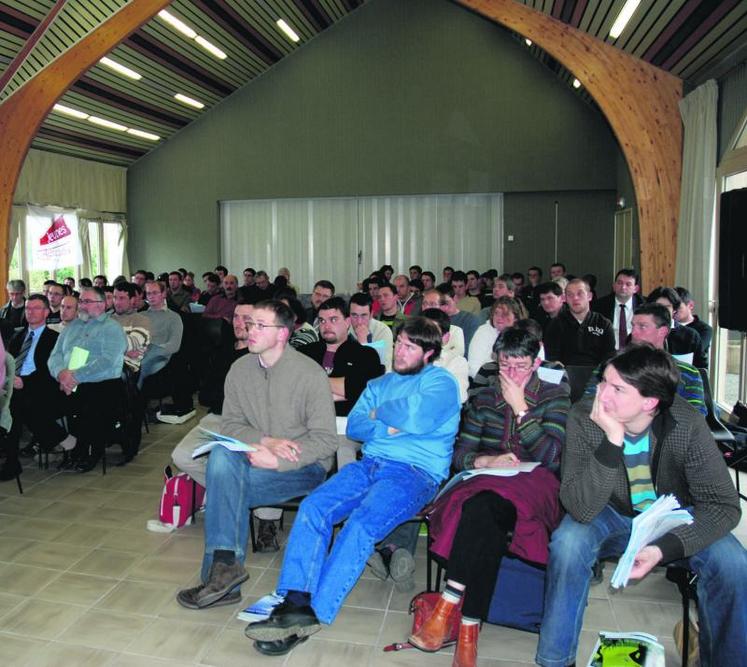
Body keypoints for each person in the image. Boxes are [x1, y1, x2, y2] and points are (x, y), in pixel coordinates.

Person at [244, 317, 461, 656]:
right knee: (313, 507)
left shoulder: (441, 383)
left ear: (429, 353)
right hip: (369, 465)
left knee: (360, 524)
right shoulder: (379, 383)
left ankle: (313, 613)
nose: (399, 351)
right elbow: (357, 427)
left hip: (414, 473)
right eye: (398, 343)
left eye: (409, 347)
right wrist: (387, 423)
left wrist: (381, 415)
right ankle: (295, 601)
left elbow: (418, 418)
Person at [536, 344, 746, 667]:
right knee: (567, 544)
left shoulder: (685, 424)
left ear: (649, 402)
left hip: (672, 516)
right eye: (603, 382)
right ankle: (555, 660)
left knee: (733, 563)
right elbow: (579, 507)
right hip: (610, 510)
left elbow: (724, 506)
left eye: (617, 388)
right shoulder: (584, 416)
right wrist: (612, 441)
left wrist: (665, 548)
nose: (602, 394)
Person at [413, 328, 570, 667]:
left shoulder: (555, 394)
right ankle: (467, 632)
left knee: (478, 509)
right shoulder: (484, 397)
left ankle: (447, 609)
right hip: (487, 482)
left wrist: (522, 410)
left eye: (520, 366)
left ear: (537, 363)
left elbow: (553, 456)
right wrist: (485, 461)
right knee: (483, 514)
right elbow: (462, 454)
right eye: (505, 365)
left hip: (536, 485)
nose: (511, 374)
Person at [175, 300, 338, 610]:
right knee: (222, 456)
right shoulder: (239, 369)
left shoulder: (309, 373)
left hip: (304, 468)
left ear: (282, 334)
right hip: (253, 460)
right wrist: (266, 441)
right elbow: (232, 424)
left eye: (260, 325)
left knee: (223, 484)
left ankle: (221, 577)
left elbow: (326, 440)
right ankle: (225, 570)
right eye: (250, 324)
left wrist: (279, 458)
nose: (250, 330)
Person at [47, 287, 127, 472]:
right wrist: (61, 374)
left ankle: (91, 450)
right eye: (81, 301)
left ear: (101, 305)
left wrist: (74, 376)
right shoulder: (72, 326)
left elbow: (107, 361)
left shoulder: (111, 328)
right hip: (68, 381)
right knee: (39, 403)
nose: (81, 306)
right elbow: (55, 354)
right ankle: (70, 445)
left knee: (89, 402)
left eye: (86, 302)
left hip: (101, 384)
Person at [1, 295, 65, 481]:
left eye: (36, 308)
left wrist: (25, 382)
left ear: (46, 312)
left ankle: (12, 461)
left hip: (42, 387)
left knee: (14, 406)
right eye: (28, 308)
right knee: (11, 401)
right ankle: (56, 439)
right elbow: (6, 363)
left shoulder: (54, 338)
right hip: (15, 384)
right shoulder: (17, 336)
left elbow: (50, 370)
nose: (30, 312)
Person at [544, 278, 614, 367]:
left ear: (590, 296)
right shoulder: (555, 324)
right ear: (564, 298)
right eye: (570, 295)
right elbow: (552, 359)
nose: (575, 298)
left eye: (580, 294)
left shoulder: (603, 323)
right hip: (565, 377)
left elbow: (609, 356)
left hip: (597, 376)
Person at [468, 296, 527, 378]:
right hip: (488, 381)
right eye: (496, 313)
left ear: (516, 318)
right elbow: (473, 367)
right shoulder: (483, 331)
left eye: (505, 314)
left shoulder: (526, 333)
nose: (499, 317)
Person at [647, 287, 706, 368]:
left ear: (674, 310)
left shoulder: (691, 336)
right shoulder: (641, 333)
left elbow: (701, 369)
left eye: (667, 307)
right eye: (658, 307)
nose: (662, 311)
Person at [592, 268, 643, 350]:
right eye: (619, 283)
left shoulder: (644, 306)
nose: (623, 287)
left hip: (636, 353)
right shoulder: (599, 306)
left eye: (628, 284)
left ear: (635, 289)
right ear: (614, 286)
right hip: (608, 353)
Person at [348, 292, 393, 372]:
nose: (359, 322)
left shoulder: (383, 331)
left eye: (363, 315)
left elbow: (384, 370)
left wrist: (363, 343)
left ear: (371, 315)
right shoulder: (345, 328)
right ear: (349, 314)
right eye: (354, 315)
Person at [674, 286, 713, 368]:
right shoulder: (665, 325)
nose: (674, 311)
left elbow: (694, 351)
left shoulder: (704, 329)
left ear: (690, 305)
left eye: (678, 308)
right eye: (671, 307)